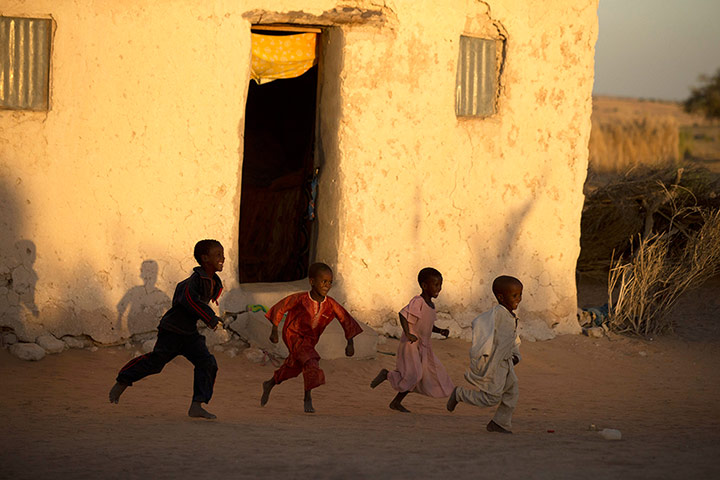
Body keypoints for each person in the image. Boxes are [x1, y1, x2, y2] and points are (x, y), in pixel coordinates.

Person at [108, 239, 225, 419]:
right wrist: (210, 318)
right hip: (172, 331)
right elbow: (188, 300)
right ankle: (122, 380)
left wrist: (211, 318)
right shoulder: (192, 282)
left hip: (189, 334)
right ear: (205, 258)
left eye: (222, 254)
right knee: (155, 363)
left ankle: (196, 405)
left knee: (207, 363)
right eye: (218, 255)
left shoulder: (212, 281)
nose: (222, 258)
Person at [260, 262, 363, 413]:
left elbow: (345, 319)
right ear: (312, 281)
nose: (327, 285)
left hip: (310, 340)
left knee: (294, 368)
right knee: (311, 361)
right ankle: (307, 398)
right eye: (323, 281)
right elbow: (281, 307)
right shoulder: (301, 299)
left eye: (329, 282)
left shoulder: (331, 304)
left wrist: (350, 342)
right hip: (293, 335)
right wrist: (274, 329)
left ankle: (270, 383)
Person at [370, 267, 454, 412]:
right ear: (424, 285)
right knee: (414, 375)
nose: (438, 288)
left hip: (425, 347)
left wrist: (440, 330)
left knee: (430, 372)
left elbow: (427, 324)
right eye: (435, 285)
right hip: (411, 344)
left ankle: (396, 402)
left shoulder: (431, 306)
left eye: (440, 285)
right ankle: (388, 375)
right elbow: (403, 314)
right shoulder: (418, 301)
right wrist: (408, 333)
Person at [446, 275, 523, 434]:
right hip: (495, 364)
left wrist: (515, 354)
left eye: (520, 295)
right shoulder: (497, 314)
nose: (518, 299)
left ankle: (500, 423)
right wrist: (483, 355)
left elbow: (511, 337)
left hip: (506, 362)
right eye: (514, 295)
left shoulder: (510, 315)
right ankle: (460, 394)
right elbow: (480, 325)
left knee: (512, 392)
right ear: (501, 297)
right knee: (492, 397)